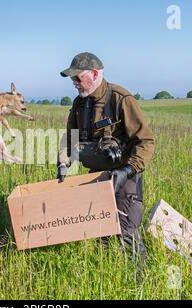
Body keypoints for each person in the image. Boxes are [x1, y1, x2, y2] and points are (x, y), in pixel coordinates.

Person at [58, 52, 156, 265]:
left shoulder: (120, 99)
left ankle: (142, 284)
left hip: (126, 176)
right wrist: (63, 162)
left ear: (94, 74)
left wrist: (127, 171)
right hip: (96, 176)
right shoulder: (79, 104)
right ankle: (107, 278)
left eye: (77, 78)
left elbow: (146, 141)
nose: (74, 83)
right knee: (101, 232)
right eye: (72, 79)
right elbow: (70, 138)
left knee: (126, 230)